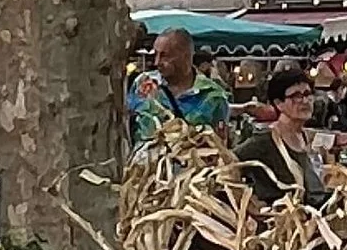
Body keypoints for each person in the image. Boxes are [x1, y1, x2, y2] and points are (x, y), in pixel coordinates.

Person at [238, 61, 328, 205]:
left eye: (307, 94)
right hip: (280, 221)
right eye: (296, 96)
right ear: (279, 103)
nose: (304, 101)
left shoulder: (306, 138)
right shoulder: (263, 141)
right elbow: (231, 164)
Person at [126, 24, 231, 144]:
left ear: (186, 56)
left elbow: (219, 146)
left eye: (165, 56)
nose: (157, 62)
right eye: (156, 54)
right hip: (142, 161)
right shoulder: (143, 83)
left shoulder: (213, 97)